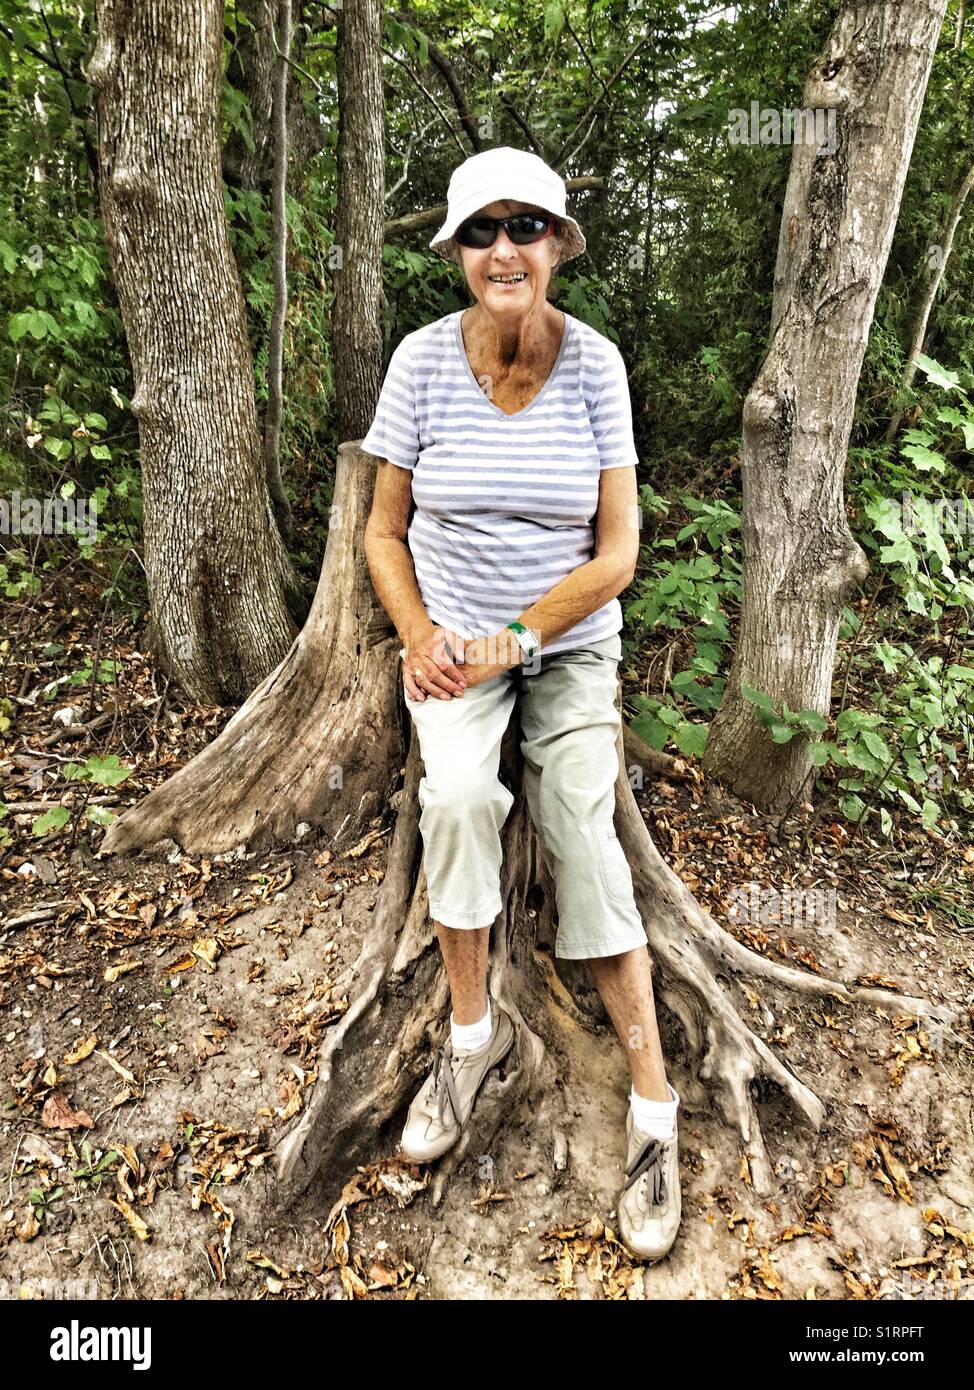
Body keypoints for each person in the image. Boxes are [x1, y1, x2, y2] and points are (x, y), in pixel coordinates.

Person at [362, 146, 681, 1263]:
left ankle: (652, 1107)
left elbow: (619, 552)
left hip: (565, 644)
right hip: (449, 644)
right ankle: (470, 1035)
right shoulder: (418, 362)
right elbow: (381, 529)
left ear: (556, 246)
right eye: (482, 230)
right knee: (454, 796)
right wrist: (419, 635)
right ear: (456, 251)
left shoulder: (595, 365)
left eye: (525, 226)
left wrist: (519, 640)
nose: (504, 248)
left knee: (579, 819)